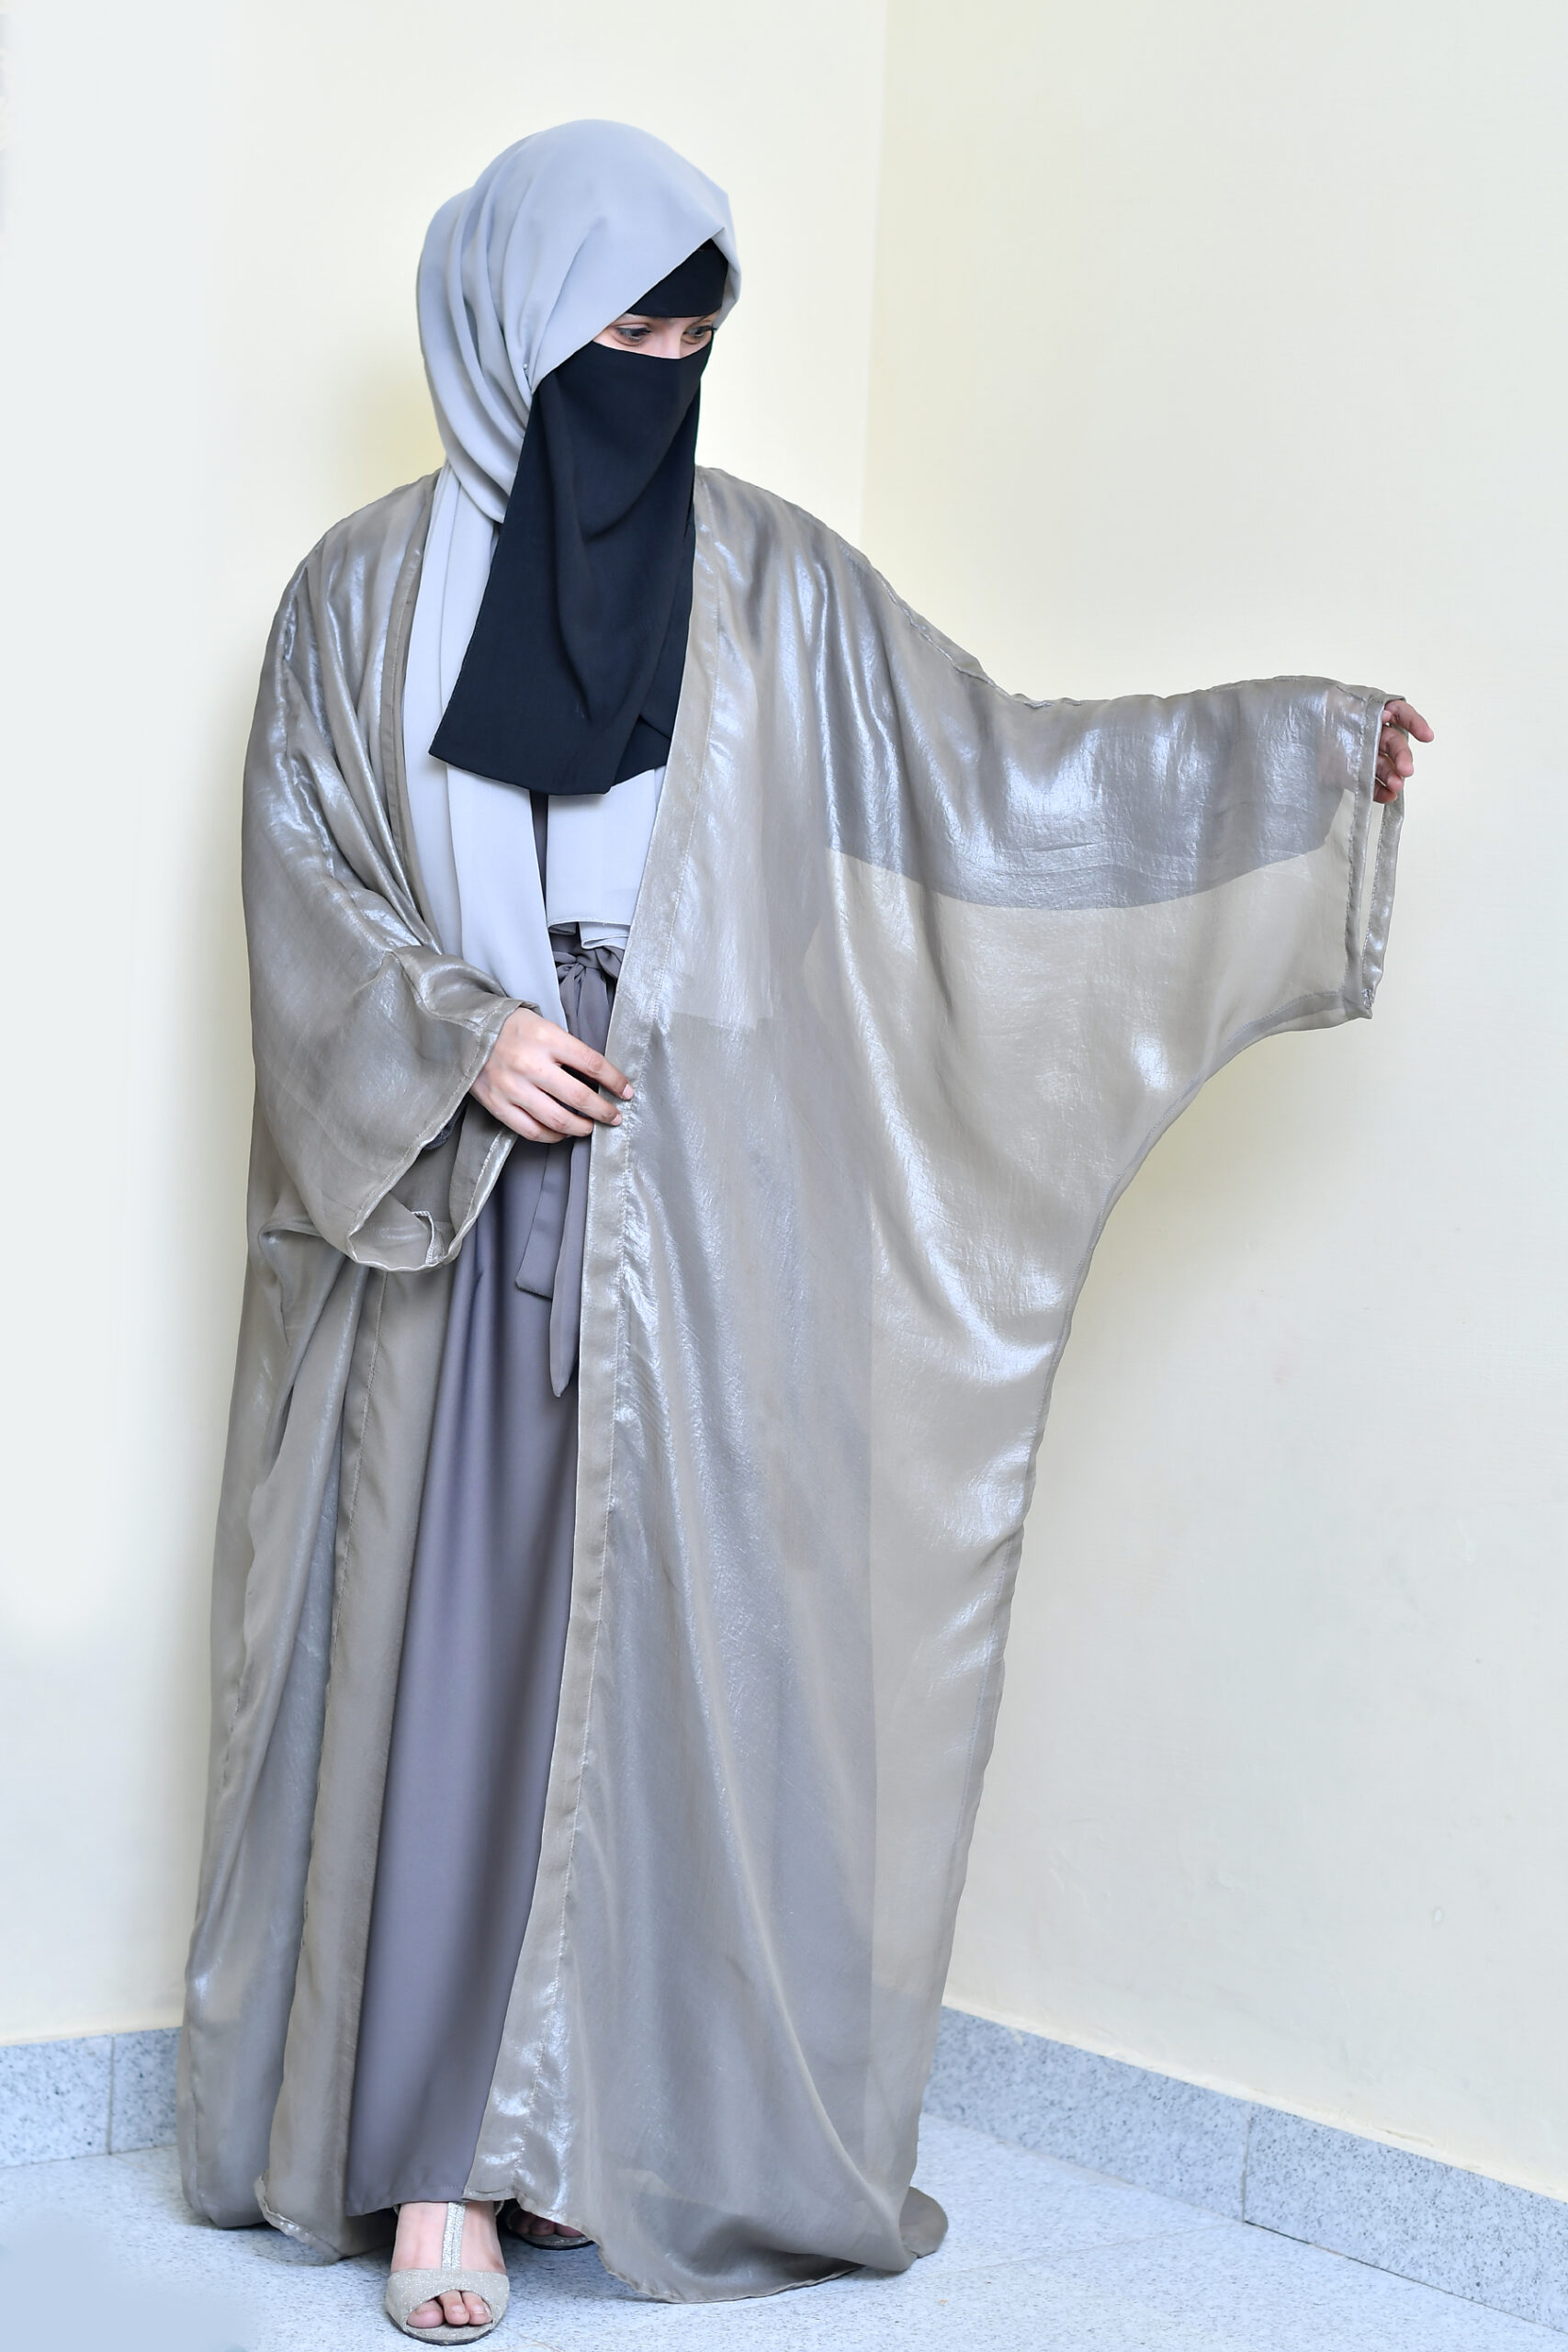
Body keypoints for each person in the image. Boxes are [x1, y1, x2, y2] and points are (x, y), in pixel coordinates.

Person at [177, 119, 1430, 2342]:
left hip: (698, 1185)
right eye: (618, 335)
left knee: (672, 1667)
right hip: (447, 1193)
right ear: (507, 323)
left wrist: (1291, 762)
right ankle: (441, 2160)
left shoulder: (766, 581)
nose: (654, 380)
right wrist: (462, 1034)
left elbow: (999, 788)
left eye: (690, 343)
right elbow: (302, 877)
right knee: (454, 1672)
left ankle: (606, 2129)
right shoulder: (359, 594)